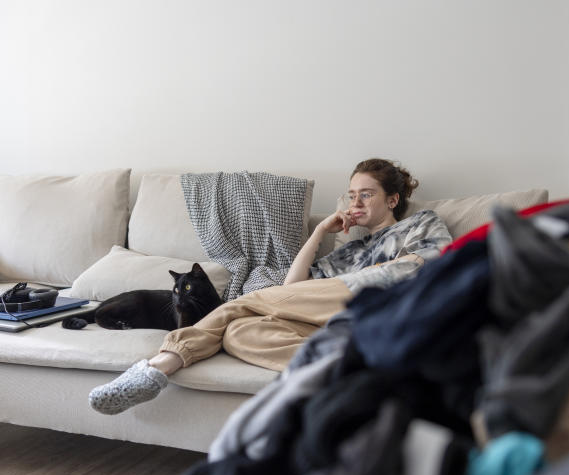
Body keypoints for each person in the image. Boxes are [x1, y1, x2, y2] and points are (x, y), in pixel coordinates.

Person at [88, 158, 452, 415]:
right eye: (351, 194)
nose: (355, 202)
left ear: (392, 199)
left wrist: (373, 273)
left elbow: (433, 264)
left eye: (366, 194)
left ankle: (160, 365)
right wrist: (321, 231)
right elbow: (292, 289)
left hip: (386, 299)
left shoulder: (421, 222)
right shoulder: (351, 249)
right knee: (239, 332)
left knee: (247, 303)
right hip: (339, 317)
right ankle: (351, 369)